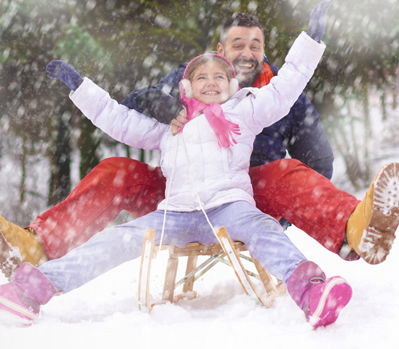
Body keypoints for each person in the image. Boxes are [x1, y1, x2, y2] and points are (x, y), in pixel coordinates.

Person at [0, 3, 353, 328]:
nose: (211, 83)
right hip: (176, 213)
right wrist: (80, 87)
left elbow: (284, 89)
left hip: (231, 207)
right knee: (117, 240)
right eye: (202, 78)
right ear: (186, 87)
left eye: (219, 78)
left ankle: (312, 293)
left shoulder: (243, 112)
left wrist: (310, 42)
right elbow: (117, 119)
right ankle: (33, 290)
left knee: (266, 233)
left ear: (230, 86)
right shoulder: (170, 125)